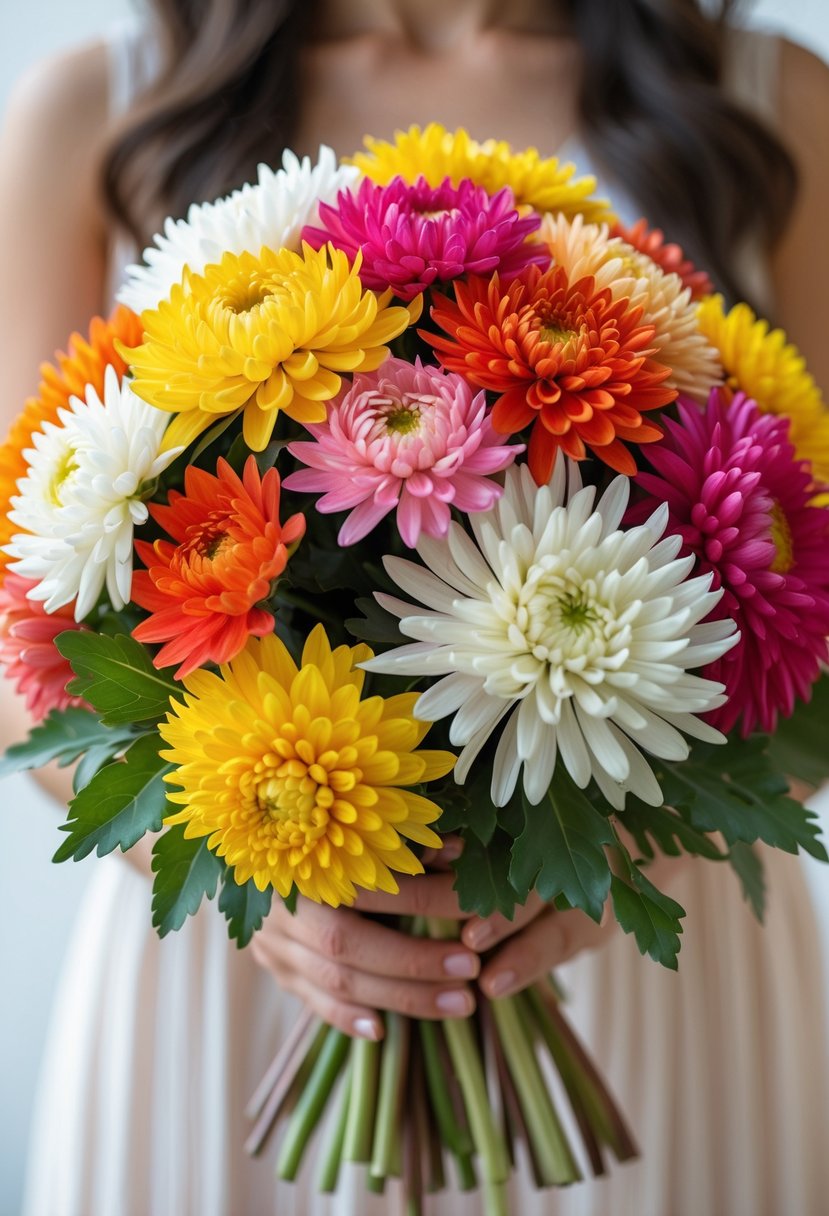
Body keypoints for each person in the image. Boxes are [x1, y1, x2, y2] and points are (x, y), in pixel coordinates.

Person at [1, 1, 828, 1212]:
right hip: (248, 948)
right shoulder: (96, 107)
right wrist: (255, 872)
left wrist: (623, 852)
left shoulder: (769, 99)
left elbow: (810, 592)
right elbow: (27, 632)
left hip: (647, 946)